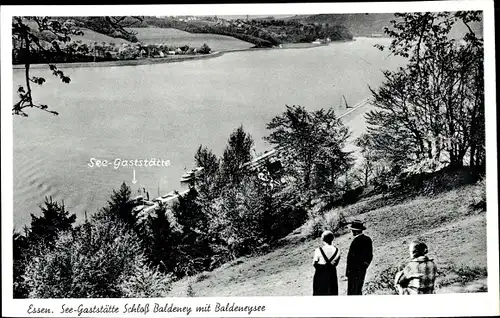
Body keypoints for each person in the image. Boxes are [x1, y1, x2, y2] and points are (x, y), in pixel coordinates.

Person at [346, 220, 373, 295]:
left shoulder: (355, 241)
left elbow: (350, 258)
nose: (352, 232)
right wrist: (365, 266)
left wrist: (348, 272)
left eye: (353, 230)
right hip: (362, 270)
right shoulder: (368, 239)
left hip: (353, 271)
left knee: (352, 291)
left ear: (356, 231)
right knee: (358, 289)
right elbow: (370, 255)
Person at [312, 230, 341, 295]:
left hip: (320, 274)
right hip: (332, 274)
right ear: (333, 239)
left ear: (322, 239)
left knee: (319, 293)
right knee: (332, 292)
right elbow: (336, 263)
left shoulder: (318, 250)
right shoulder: (337, 250)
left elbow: (314, 263)